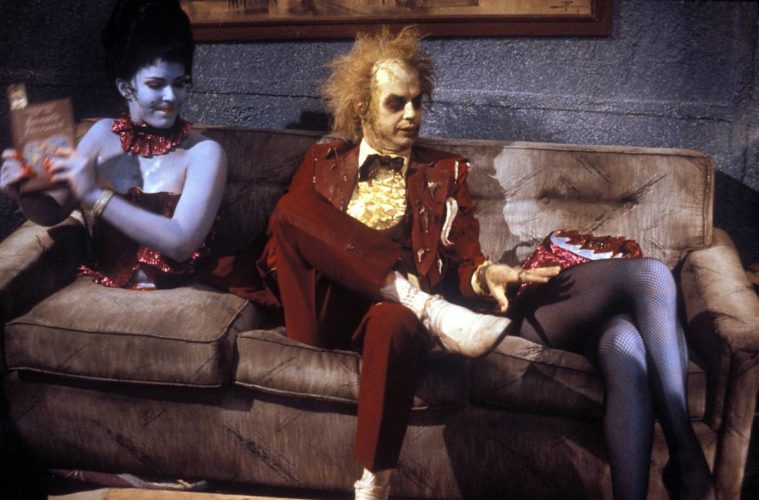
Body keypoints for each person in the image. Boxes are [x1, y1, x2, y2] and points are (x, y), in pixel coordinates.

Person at [234, 27, 716, 500]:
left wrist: (487, 276)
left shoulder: (444, 172)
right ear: (362, 107)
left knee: (397, 320)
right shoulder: (324, 160)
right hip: (322, 305)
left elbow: (466, 261)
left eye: (418, 102)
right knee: (291, 210)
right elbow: (288, 238)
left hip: (391, 316)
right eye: (396, 103)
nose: (412, 115)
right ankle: (425, 306)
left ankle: (373, 488)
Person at [1, 0, 226, 291]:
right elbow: (52, 213)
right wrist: (22, 193)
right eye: (156, 84)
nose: (172, 97)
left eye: (180, 83)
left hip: (179, 294)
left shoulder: (206, 153)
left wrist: (94, 194)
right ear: (125, 87)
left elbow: (181, 243)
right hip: (103, 290)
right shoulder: (101, 134)